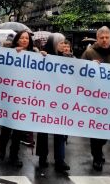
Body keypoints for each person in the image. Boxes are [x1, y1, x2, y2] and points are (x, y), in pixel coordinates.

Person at [81, 26, 110, 171]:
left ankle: (98, 149)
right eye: (101, 38)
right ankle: (97, 157)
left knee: (105, 131)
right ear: (97, 38)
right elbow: (79, 72)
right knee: (96, 129)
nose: (104, 40)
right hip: (93, 100)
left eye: (107, 37)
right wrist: (88, 67)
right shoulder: (89, 53)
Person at [0, 30, 37, 167]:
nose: (25, 40)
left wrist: (44, 56)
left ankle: (14, 155)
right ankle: (2, 148)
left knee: (18, 129)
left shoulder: (34, 54)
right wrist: (14, 53)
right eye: (22, 38)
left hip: (25, 98)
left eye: (27, 38)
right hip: (10, 96)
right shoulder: (10, 52)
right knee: (7, 127)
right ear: (17, 40)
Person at [36, 32, 71, 173]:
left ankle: (60, 159)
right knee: (43, 131)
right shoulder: (43, 57)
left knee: (60, 131)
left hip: (61, 101)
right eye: (61, 42)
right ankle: (42, 157)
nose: (63, 45)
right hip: (46, 99)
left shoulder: (68, 59)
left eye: (64, 42)